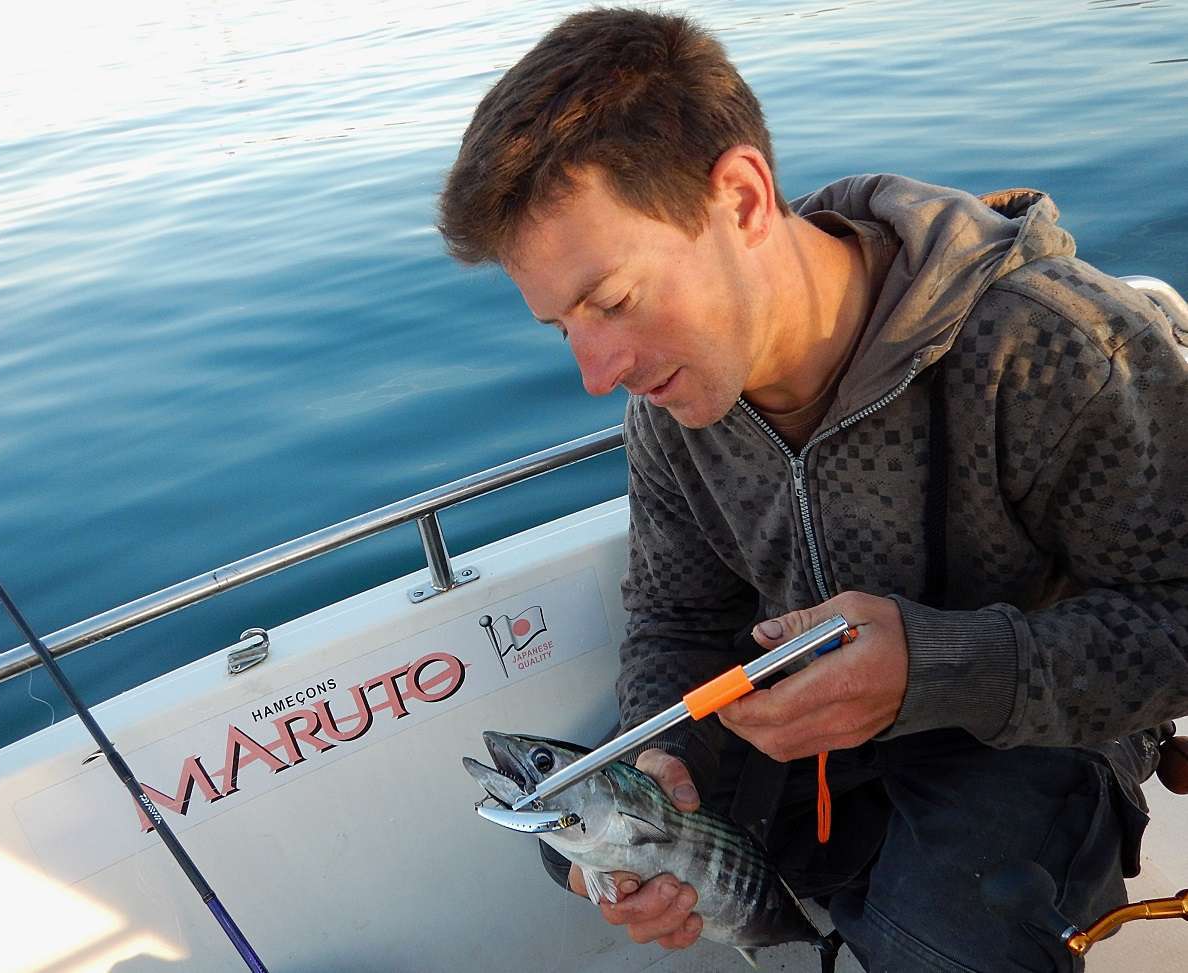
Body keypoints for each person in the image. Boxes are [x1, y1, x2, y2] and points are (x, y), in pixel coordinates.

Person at [437, 8, 1188, 970]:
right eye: (563, 326)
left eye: (613, 301)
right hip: (807, 720)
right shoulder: (671, 406)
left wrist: (935, 667)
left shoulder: (1057, 351)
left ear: (743, 199)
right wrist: (664, 767)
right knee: (567, 826)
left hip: (1035, 721)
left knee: (948, 936)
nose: (595, 370)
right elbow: (679, 617)